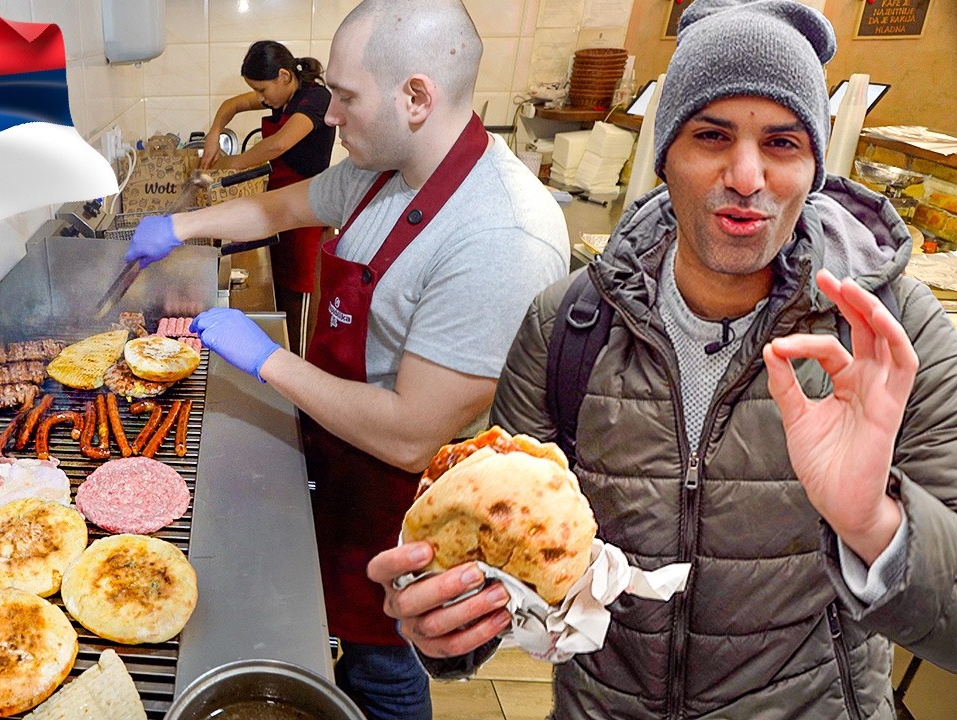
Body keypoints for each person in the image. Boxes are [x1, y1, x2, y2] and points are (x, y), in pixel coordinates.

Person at [368, 0, 957, 717]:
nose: (746, 176)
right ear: (665, 155)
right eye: (711, 135)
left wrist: (874, 525)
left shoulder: (892, 338)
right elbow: (502, 569)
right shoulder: (567, 328)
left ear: (815, 166)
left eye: (782, 142)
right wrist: (448, 629)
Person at [124, 1, 569, 717]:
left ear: (416, 97)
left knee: (386, 673)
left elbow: (409, 432)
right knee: (347, 651)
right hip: (342, 469)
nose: (328, 115)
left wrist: (266, 358)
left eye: (348, 97)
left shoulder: (499, 234)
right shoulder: (380, 172)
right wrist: (179, 225)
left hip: (405, 517)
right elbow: (275, 210)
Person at [201, 41, 336, 353]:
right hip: (282, 205)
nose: (261, 99)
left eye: (262, 90)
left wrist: (228, 167)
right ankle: (284, 360)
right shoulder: (282, 97)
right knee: (281, 290)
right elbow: (231, 106)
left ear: (284, 76)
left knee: (300, 300)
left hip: (309, 211)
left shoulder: (315, 99)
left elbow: (278, 145)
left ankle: (302, 368)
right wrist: (213, 133)